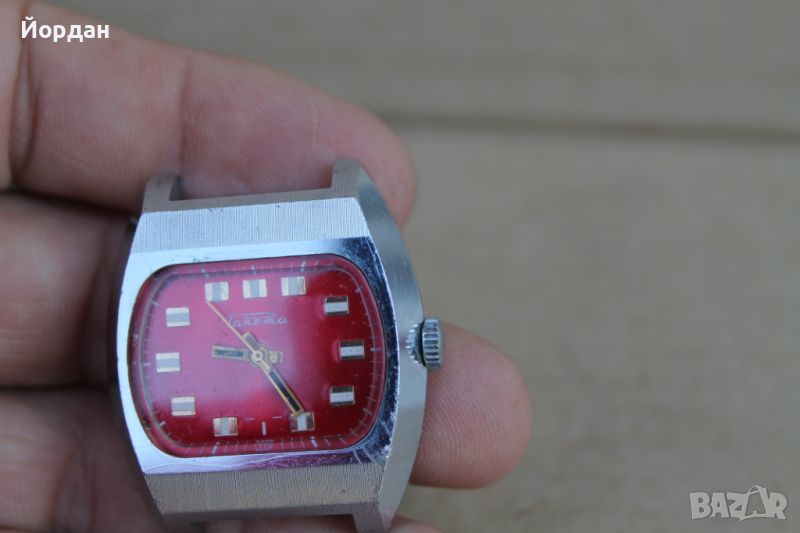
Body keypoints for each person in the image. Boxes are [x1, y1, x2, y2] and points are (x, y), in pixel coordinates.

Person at [0, 2, 531, 531]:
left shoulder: (350, 218)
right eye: (257, 354)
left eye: (258, 354)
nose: (259, 355)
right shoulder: (342, 216)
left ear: (422, 341)